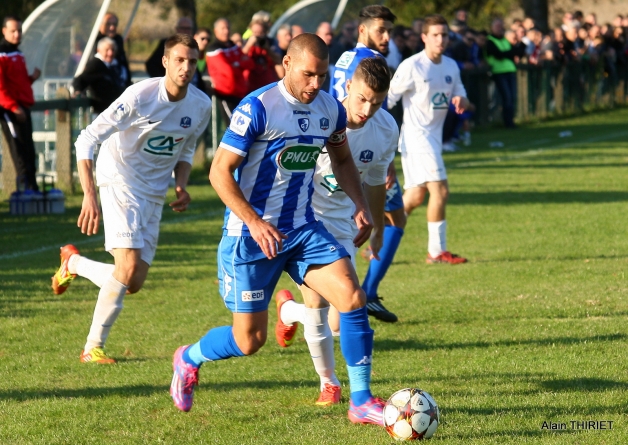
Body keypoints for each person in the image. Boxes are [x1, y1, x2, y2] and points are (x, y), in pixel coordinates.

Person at [170, 34, 386, 426]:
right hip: (250, 236)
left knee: (353, 299)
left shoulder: (330, 110)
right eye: (308, 74)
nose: (316, 84)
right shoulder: (257, 107)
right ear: (286, 64)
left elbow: (342, 160)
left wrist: (360, 204)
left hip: (302, 229)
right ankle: (188, 358)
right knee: (249, 341)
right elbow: (219, 172)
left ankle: (361, 401)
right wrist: (254, 221)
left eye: (322, 76)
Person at [51, 34, 211, 364]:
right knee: (126, 267)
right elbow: (87, 140)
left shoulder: (201, 105)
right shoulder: (140, 96)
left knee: (132, 281)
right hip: (118, 178)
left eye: (192, 61)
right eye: (179, 60)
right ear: (165, 61)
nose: (186, 67)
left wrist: (181, 185)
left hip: (154, 191)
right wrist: (89, 196)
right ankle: (91, 347)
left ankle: (73, 263)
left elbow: (186, 149)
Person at [275, 57, 398, 405]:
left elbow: (375, 181)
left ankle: (287, 312)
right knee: (319, 304)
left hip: (344, 223)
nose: (366, 109)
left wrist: (375, 224)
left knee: (338, 319)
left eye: (375, 102)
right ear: (347, 87)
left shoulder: (386, 129)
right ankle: (328, 383)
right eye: (361, 99)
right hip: (304, 220)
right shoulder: (319, 115)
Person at [330, 5, 403, 323]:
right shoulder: (367, 64)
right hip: (356, 150)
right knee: (394, 219)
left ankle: (365, 292)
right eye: (380, 30)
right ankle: (369, 292)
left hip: (366, 148)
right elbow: (355, 112)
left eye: (389, 31)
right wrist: (384, 163)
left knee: (393, 217)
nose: (386, 37)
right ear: (363, 30)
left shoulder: (349, 57)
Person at [388, 14, 470, 265]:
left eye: (444, 35)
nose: (440, 39)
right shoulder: (412, 66)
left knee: (413, 198)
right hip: (416, 138)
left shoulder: (451, 66)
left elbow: (463, 97)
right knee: (440, 190)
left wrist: (460, 101)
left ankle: (376, 239)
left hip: (433, 139)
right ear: (424, 37)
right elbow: (388, 99)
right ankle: (436, 251)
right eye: (435, 34)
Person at [0, 16, 41, 192]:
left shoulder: (18, 53)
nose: (17, 34)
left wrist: (31, 78)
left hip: (23, 107)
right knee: (19, 151)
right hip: (11, 110)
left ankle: (33, 187)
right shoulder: (2, 54)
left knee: (29, 150)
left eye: (19, 31)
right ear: (4, 31)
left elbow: (17, 83)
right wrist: (13, 107)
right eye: (13, 31)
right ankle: (24, 189)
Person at [206, 18, 254, 120]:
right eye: (223, 28)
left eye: (227, 28)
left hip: (241, 92)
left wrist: (235, 64)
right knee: (233, 127)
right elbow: (228, 71)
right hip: (226, 95)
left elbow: (249, 63)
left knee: (245, 126)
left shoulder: (233, 45)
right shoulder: (213, 49)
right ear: (216, 31)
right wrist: (239, 64)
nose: (226, 31)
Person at [72, 37, 128, 113]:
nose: (110, 53)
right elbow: (80, 79)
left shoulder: (115, 64)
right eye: (107, 50)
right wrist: (78, 91)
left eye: (113, 50)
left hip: (118, 108)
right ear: (98, 50)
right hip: (103, 110)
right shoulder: (95, 65)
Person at [485, 18, 522, 128]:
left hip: (510, 70)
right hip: (499, 72)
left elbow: (515, 51)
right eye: (497, 26)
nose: (499, 28)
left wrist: (508, 53)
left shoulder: (504, 40)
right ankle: (507, 122)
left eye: (500, 26)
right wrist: (509, 53)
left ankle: (511, 120)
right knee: (506, 98)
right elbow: (498, 54)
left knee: (512, 97)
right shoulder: (490, 40)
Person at [242, 20, 281, 91]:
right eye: (255, 33)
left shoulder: (270, 42)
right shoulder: (244, 42)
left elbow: (278, 60)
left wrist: (267, 49)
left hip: (267, 85)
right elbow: (239, 59)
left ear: (265, 32)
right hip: (250, 85)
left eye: (260, 33)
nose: (257, 36)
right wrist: (248, 45)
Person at [95, 12, 131, 86]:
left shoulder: (118, 39)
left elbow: (123, 61)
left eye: (114, 24)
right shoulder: (94, 40)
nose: (112, 27)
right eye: (108, 24)